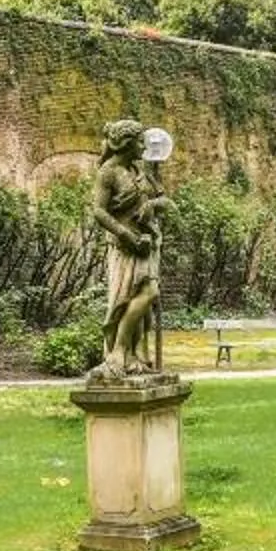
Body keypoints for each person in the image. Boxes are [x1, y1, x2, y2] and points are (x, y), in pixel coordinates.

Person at [89, 118, 164, 376]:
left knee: (144, 300)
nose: (144, 147)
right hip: (124, 246)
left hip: (145, 243)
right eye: (140, 142)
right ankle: (118, 351)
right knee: (132, 296)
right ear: (127, 144)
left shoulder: (137, 171)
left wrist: (151, 206)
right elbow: (98, 211)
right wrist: (124, 233)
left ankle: (132, 357)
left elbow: (162, 199)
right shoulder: (108, 172)